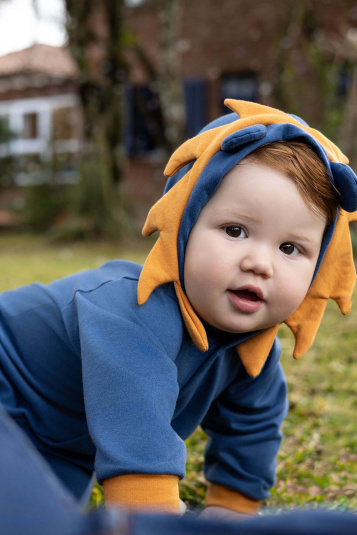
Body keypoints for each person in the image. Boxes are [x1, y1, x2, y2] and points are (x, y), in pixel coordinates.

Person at [0, 99, 356, 518]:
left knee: (45, 520)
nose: (260, 263)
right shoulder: (132, 311)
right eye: (235, 230)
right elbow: (138, 444)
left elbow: (252, 426)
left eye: (291, 248)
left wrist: (231, 511)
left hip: (56, 446)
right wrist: (155, 514)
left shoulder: (253, 353)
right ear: (183, 224)